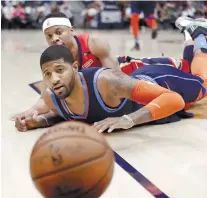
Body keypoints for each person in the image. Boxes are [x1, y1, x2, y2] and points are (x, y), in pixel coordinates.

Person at [12, 13, 207, 122]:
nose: (54, 38)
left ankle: (197, 34)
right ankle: (190, 36)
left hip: (130, 69)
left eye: (58, 32)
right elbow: (48, 97)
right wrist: (32, 112)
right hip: (121, 82)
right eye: (49, 36)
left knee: (189, 70)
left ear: (71, 30)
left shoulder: (94, 43)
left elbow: (118, 76)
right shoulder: (57, 60)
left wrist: (127, 116)